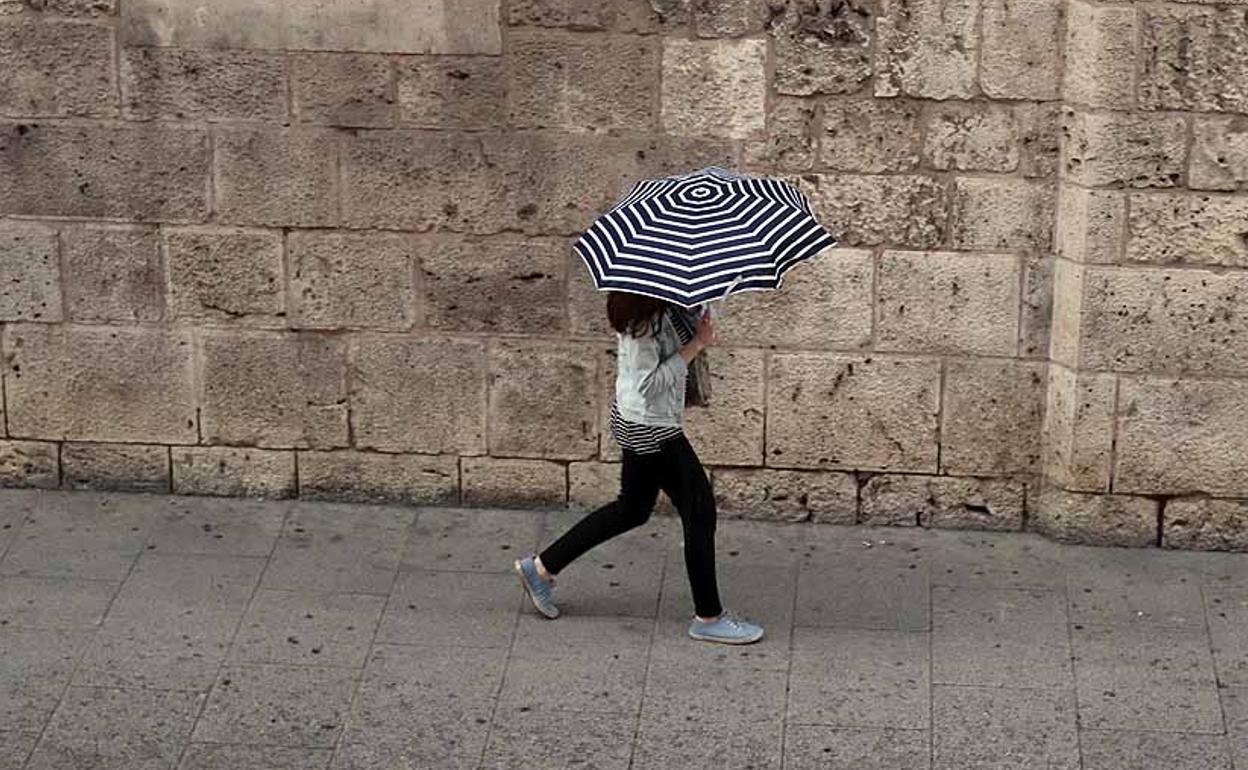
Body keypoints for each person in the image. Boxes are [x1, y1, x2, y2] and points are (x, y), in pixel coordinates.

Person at [513, 291, 764, 645]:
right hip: (651, 426)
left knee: (632, 508)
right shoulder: (644, 320)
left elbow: (678, 337)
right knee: (699, 509)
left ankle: (540, 568)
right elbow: (649, 384)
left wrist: (703, 317)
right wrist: (697, 344)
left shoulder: (659, 303)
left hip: (638, 419)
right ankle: (708, 617)